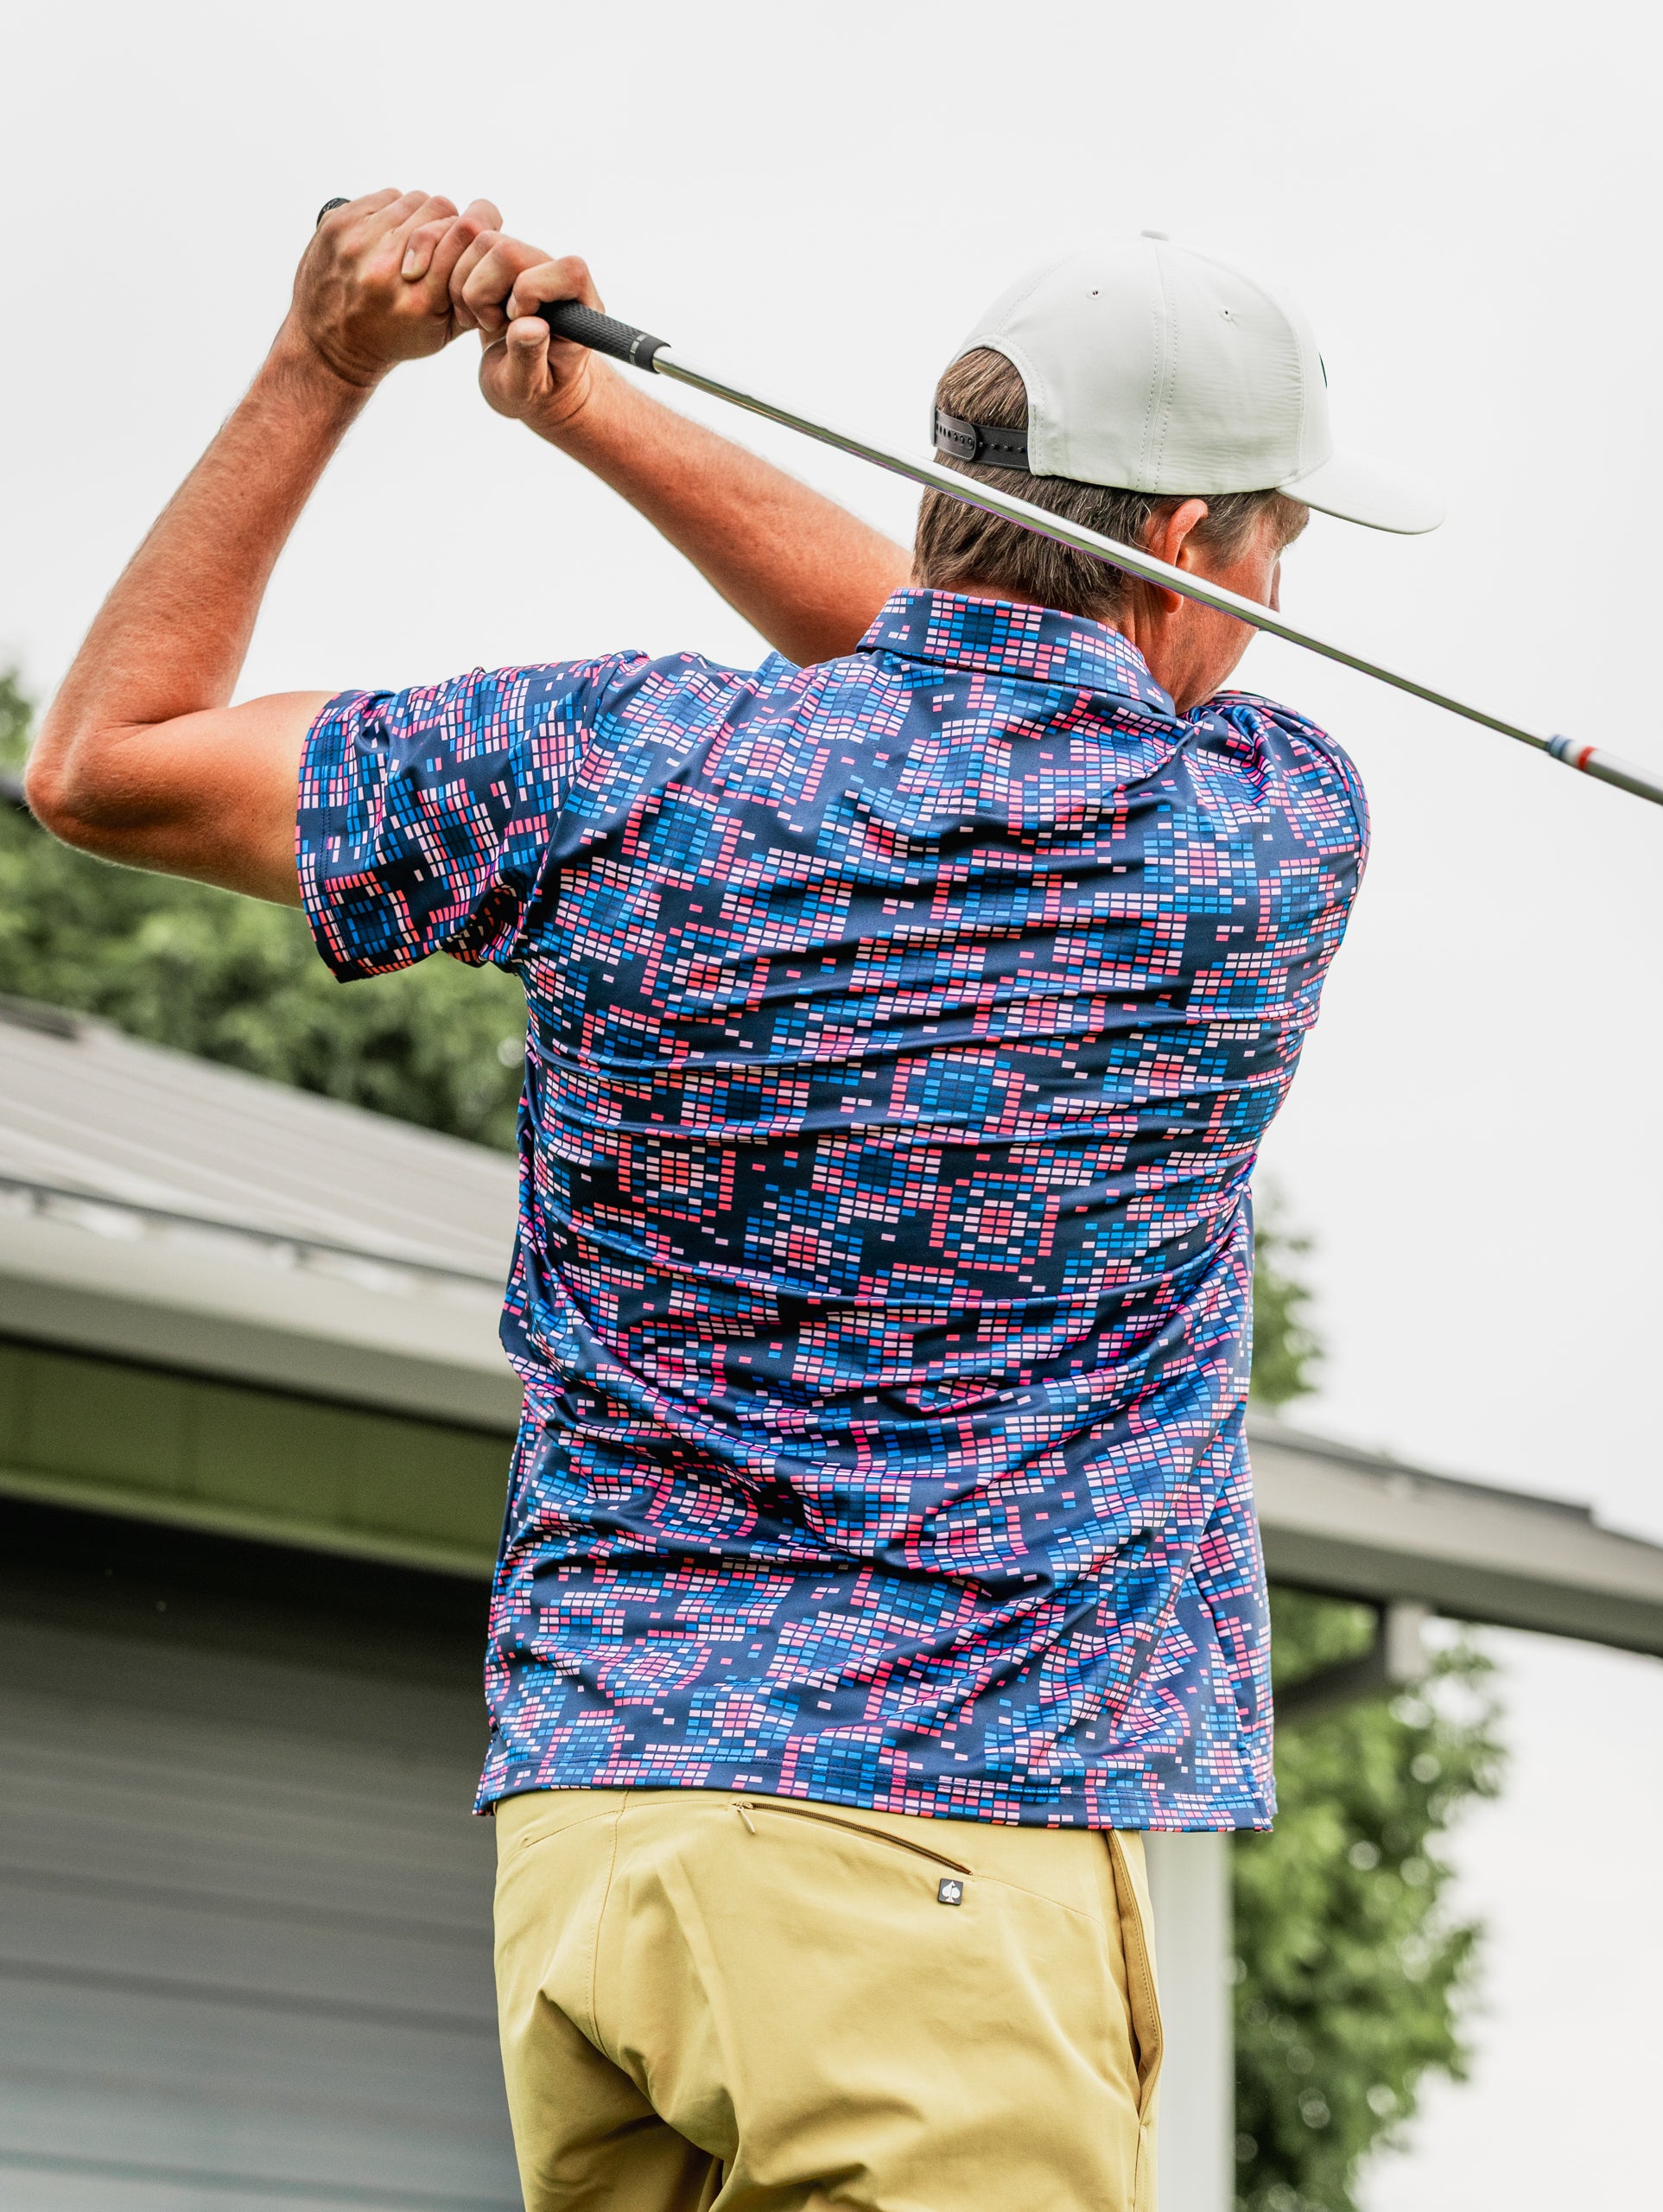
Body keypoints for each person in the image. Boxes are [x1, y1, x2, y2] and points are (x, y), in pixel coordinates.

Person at [29, 191, 1442, 2212]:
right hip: (947, 1849)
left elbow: (108, 761)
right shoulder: (1264, 828)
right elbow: (978, 681)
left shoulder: (616, 763)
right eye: (1278, 543)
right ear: (1196, 539)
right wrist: (595, 414)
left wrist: (328, 362)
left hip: (595, 1839)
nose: (1276, 595)